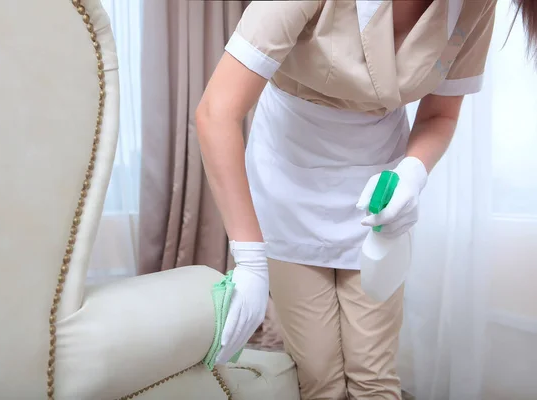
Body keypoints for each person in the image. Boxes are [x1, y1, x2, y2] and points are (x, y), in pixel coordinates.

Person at [194, 0, 530, 398]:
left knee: (373, 374)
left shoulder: (475, 6)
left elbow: (440, 113)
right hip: (289, 178)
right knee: (320, 375)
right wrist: (249, 259)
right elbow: (216, 112)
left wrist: (411, 172)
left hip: (377, 182)